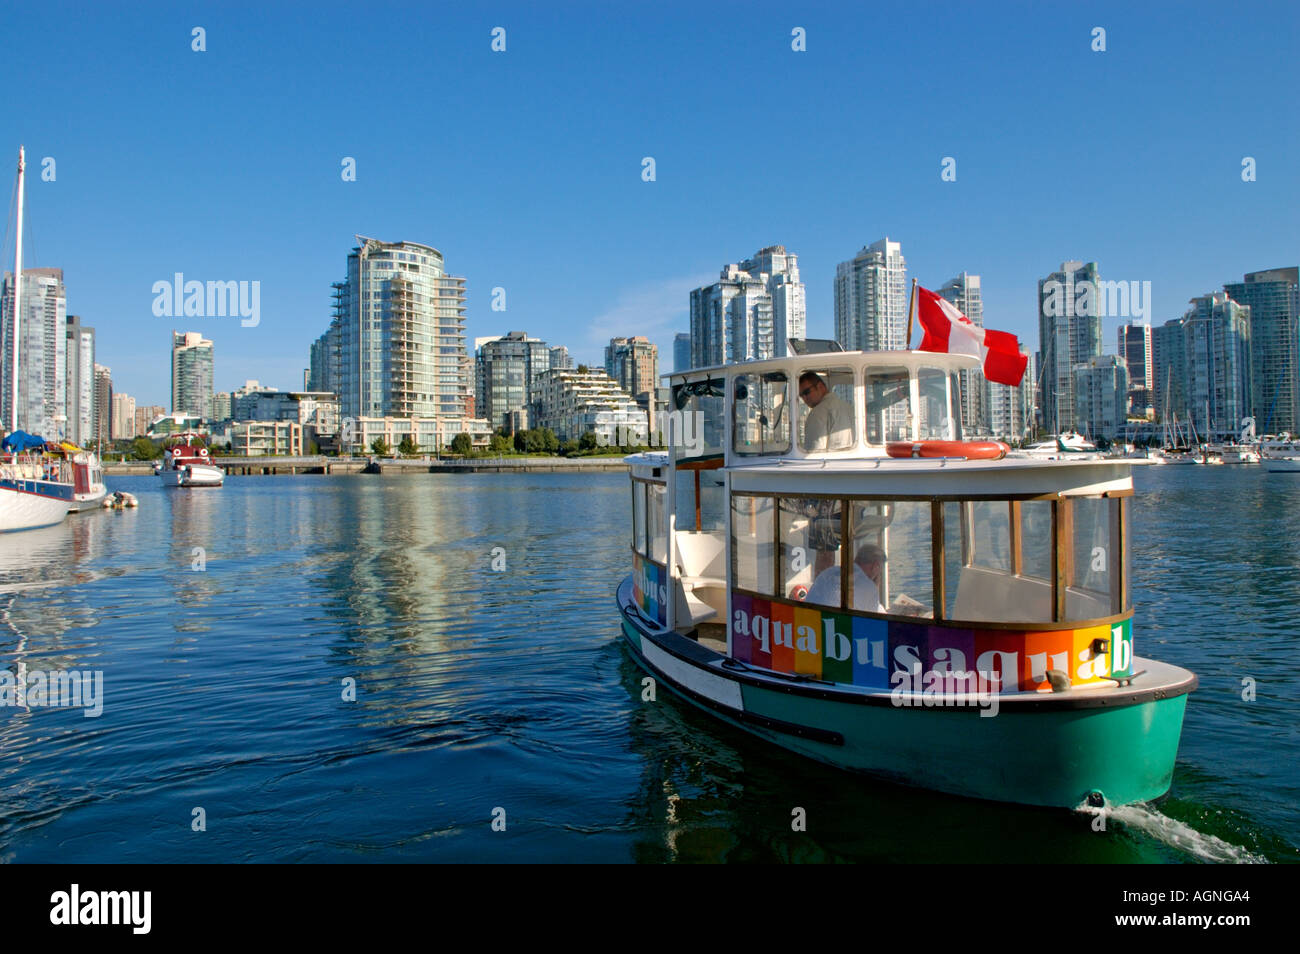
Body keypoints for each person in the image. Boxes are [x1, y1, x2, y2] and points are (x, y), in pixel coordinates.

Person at [803, 543, 886, 613]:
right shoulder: (867, 586)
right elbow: (874, 620)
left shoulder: (829, 572)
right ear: (876, 566)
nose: (879, 575)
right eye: (880, 571)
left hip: (809, 625)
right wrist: (874, 584)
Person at [799, 372, 854, 451]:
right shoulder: (848, 407)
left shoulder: (817, 412)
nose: (804, 398)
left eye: (806, 392)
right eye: (801, 396)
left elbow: (814, 452)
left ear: (820, 386)